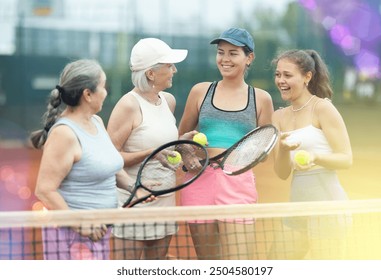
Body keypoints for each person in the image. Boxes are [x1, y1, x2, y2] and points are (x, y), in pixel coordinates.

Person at [178, 27, 274, 260]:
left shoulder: (261, 98)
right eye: (221, 52)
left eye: (233, 53)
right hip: (199, 181)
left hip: (237, 182)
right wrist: (188, 154)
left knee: (239, 264)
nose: (225, 59)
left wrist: (248, 157)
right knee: (208, 262)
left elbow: (265, 148)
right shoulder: (200, 91)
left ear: (248, 58)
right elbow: (181, 138)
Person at [31, 59, 135, 260]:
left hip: (98, 232)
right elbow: (44, 190)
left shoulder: (96, 121)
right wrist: (79, 223)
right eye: (103, 87)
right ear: (88, 94)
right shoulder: (65, 134)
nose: (106, 92)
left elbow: (108, 166)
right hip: (72, 237)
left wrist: (133, 186)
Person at [107, 38, 195, 260]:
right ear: (150, 74)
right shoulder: (128, 105)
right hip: (133, 201)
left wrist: (179, 142)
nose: (174, 70)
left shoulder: (168, 100)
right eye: (169, 65)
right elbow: (109, 158)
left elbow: (163, 145)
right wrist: (150, 152)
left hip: (165, 201)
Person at [269, 49, 353, 259]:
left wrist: (315, 157)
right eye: (278, 74)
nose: (281, 80)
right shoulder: (278, 117)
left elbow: (346, 158)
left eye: (288, 75)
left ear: (307, 76)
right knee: (276, 263)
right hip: (297, 206)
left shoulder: (322, 108)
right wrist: (283, 152)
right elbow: (281, 173)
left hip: (328, 207)